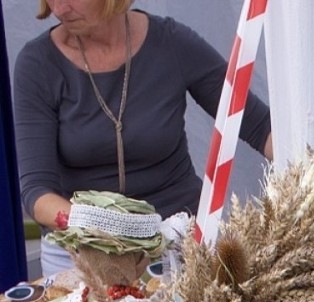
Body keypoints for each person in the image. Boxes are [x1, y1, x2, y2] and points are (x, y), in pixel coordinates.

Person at [13, 1, 273, 276]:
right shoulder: (37, 64)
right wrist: (103, 231)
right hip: (83, 253)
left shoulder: (171, 43)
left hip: (177, 240)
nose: (59, 9)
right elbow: (37, 193)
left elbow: (259, 127)